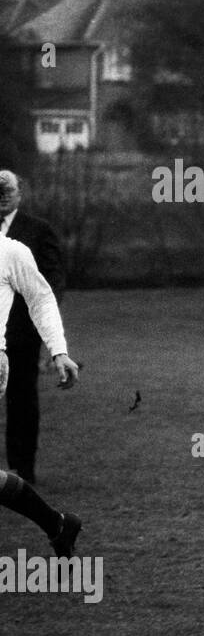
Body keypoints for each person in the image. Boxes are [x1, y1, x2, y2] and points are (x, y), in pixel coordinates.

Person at [0, 198, 83, 557]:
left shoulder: (10, 252)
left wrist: (59, 350)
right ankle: (57, 524)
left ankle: (57, 523)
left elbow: (42, 298)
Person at [0, 170, 65, 485]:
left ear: (20, 193)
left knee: (21, 397)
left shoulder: (38, 231)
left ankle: (22, 469)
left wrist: (43, 330)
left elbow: (50, 287)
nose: (2, 196)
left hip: (23, 334)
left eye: (7, 190)